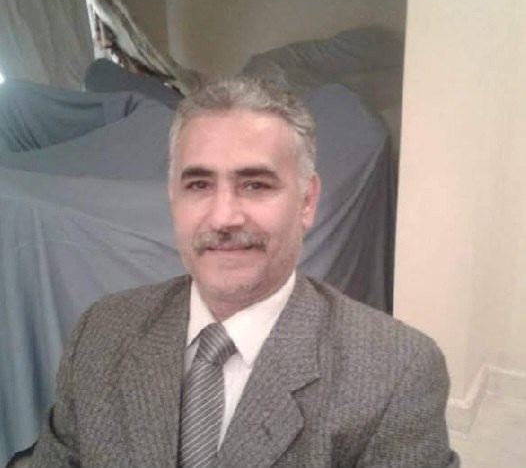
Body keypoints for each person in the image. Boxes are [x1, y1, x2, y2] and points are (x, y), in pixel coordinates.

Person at [30, 77, 458, 467]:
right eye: (199, 185)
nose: (223, 217)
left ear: (307, 201)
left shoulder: (397, 373)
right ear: (172, 197)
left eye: (256, 185)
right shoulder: (100, 334)